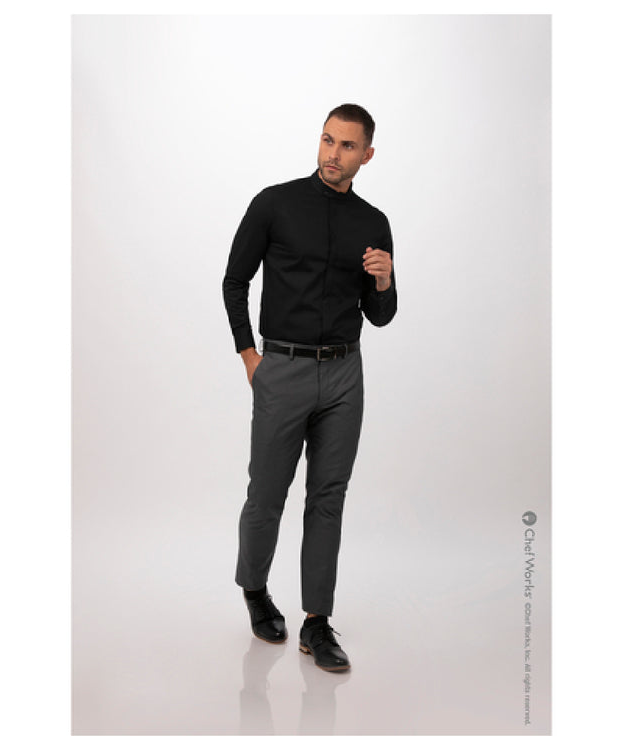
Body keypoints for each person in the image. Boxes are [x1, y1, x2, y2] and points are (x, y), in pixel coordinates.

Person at [222, 103, 397, 672]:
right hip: (284, 368)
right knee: (267, 494)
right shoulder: (274, 204)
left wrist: (384, 282)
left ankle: (316, 623)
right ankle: (255, 590)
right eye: (327, 140)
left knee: (328, 498)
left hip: (345, 373)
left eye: (347, 146)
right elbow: (235, 280)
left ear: (366, 155)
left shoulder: (373, 222)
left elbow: (380, 315)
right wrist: (250, 356)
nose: (332, 154)